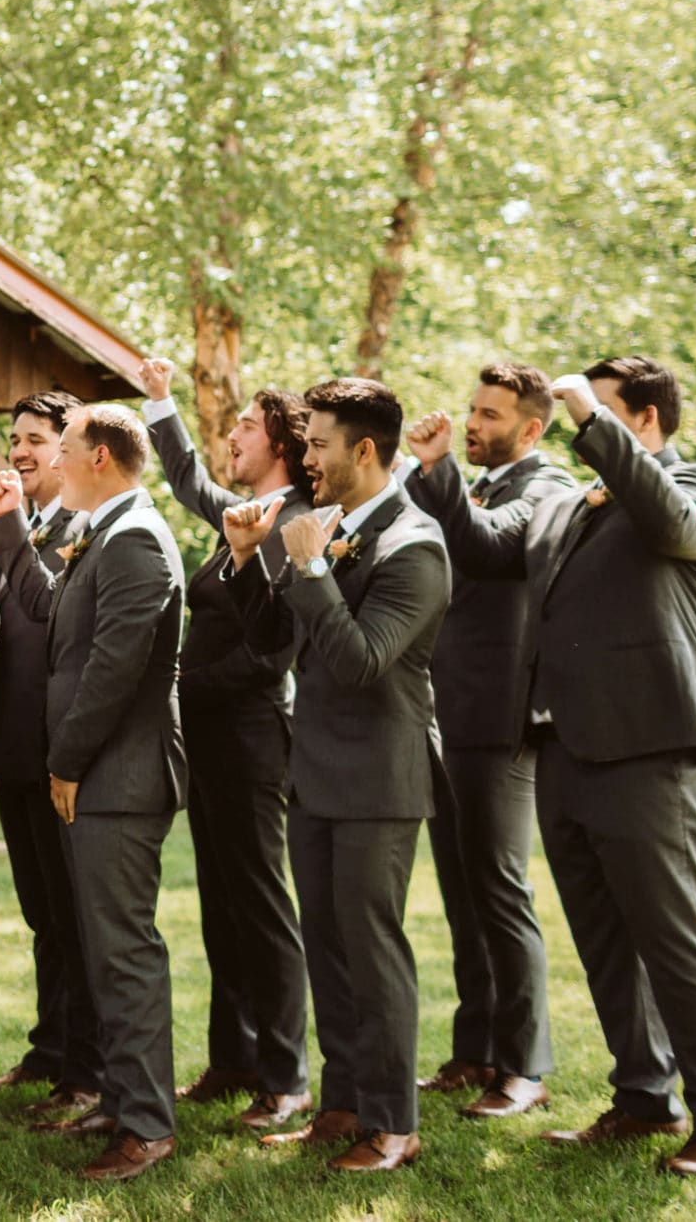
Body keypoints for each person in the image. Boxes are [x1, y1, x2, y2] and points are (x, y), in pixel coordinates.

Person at [405, 356, 696, 1177]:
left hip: (650, 747)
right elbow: (486, 551)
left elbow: (672, 524)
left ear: (645, 420)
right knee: (602, 939)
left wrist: (592, 429)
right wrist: (437, 470)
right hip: (560, 748)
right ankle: (641, 1099)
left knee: (673, 937)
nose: (575, 423)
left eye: (596, 412)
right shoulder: (564, 505)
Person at [224, 377, 448, 1174]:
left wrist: (313, 572)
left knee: (372, 950)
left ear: (363, 448)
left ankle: (394, 1123)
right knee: (328, 948)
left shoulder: (415, 545)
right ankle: (342, 1105)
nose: (305, 455)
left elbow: (359, 663)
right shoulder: (323, 527)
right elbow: (275, 642)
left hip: (379, 781)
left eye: (318, 442)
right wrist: (251, 561)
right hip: (313, 772)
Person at [136, 358, 317, 1127]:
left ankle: (286, 1075)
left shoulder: (298, 521)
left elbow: (270, 653)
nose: (231, 436)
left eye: (244, 424)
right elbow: (183, 478)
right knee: (220, 902)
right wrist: (158, 403)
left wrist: (181, 686)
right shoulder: (244, 515)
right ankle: (233, 1057)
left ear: (278, 438)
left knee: (262, 905)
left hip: (250, 737)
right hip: (208, 738)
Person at [401, 364, 574, 1117]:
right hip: (445, 714)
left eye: (490, 416)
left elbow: (489, 548)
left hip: (501, 718)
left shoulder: (548, 486)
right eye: (472, 410)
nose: (474, 423)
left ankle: (526, 1066)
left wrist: (436, 469)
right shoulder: (472, 484)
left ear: (530, 428)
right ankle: (474, 1052)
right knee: (463, 894)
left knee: (501, 892)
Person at [38, 404, 186, 1183]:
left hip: (118, 775)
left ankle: (148, 1126)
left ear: (99, 455)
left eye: (63, 450)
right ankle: (124, 1099)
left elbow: (113, 668)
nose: (55, 464)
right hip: (100, 774)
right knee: (105, 948)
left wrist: (65, 761)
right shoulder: (102, 531)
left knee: (125, 952)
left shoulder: (134, 541)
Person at [0, 390, 102, 1110]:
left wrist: (10, 531)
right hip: (15, 749)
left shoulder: (83, 530)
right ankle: (50, 1047)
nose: (18, 451)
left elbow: (55, 618)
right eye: (12, 438)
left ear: (71, 446)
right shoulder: (14, 526)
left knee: (73, 914)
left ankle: (87, 1071)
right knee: (41, 913)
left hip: (61, 754)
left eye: (33, 439)